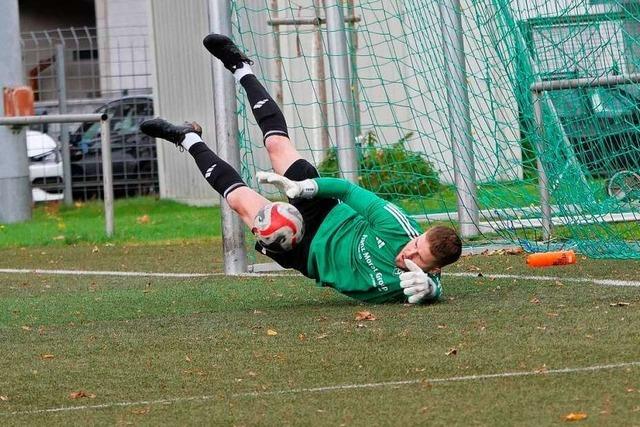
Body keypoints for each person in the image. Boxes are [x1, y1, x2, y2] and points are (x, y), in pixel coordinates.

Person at [140, 33, 462, 304]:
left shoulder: (418, 286)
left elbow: (436, 291)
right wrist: (305, 188)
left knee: (239, 202)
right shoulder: (396, 226)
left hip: (306, 254)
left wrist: (431, 290)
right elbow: (349, 191)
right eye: (415, 245)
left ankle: (188, 138)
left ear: (433, 269)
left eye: (420, 258)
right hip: (325, 211)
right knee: (277, 147)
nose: (410, 254)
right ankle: (239, 67)